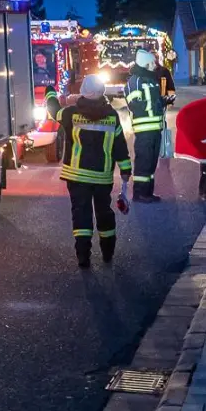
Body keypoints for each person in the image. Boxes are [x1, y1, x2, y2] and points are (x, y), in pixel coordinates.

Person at [58, 74, 133, 268]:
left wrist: (51, 93)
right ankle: (108, 252)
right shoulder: (111, 115)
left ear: (83, 91)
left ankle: (83, 257)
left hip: (77, 176)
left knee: (81, 214)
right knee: (103, 212)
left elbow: (53, 111)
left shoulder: (70, 114)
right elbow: (119, 145)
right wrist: (125, 169)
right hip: (102, 176)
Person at [124, 49, 168, 202]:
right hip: (144, 130)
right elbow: (134, 105)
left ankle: (148, 192)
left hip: (155, 128)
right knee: (143, 162)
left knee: (151, 163)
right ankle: (139, 194)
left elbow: (153, 100)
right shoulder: (135, 81)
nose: (155, 65)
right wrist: (155, 104)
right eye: (152, 62)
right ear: (145, 63)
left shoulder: (151, 80)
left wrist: (163, 101)